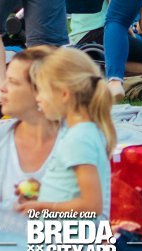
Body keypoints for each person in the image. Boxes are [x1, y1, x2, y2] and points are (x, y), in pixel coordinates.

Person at [18, 47, 115, 217]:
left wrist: (43, 207)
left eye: (41, 90)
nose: (37, 98)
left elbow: (92, 206)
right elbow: (73, 187)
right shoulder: (82, 131)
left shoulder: (79, 139)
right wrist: (44, 190)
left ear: (64, 94)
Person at [0, 46, 60, 204]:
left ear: (41, 92)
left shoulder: (77, 144)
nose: (2, 88)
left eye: (13, 82)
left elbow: (96, 215)